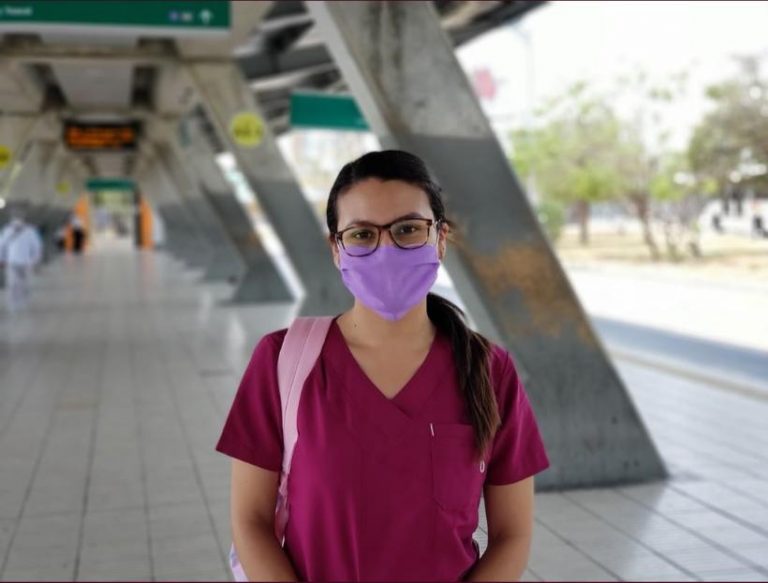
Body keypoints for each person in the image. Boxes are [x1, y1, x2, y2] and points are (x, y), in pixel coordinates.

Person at [216, 150, 550, 581]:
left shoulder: (490, 371)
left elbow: (513, 534)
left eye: (409, 229)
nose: (386, 249)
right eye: (361, 235)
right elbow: (251, 522)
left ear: (441, 239)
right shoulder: (281, 361)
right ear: (336, 249)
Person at [0, 208, 43, 312]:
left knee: (20, 282)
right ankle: (17, 301)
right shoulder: (9, 230)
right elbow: (2, 246)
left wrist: (36, 259)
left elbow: (36, 246)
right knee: (16, 281)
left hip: (20, 261)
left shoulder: (28, 230)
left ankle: (21, 300)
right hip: (17, 260)